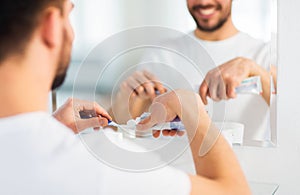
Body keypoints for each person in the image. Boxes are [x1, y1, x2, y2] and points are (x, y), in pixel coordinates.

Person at [0, 0, 251, 194]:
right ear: (52, 26)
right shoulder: (100, 167)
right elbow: (235, 191)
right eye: (69, 13)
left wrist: (54, 127)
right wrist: (192, 108)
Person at [110, 0, 277, 141]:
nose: (203, 2)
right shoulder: (161, 54)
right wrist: (127, 99)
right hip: (176, 176)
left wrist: (255, 71)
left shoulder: (264, 54)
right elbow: (121, 128)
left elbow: (292, 116)